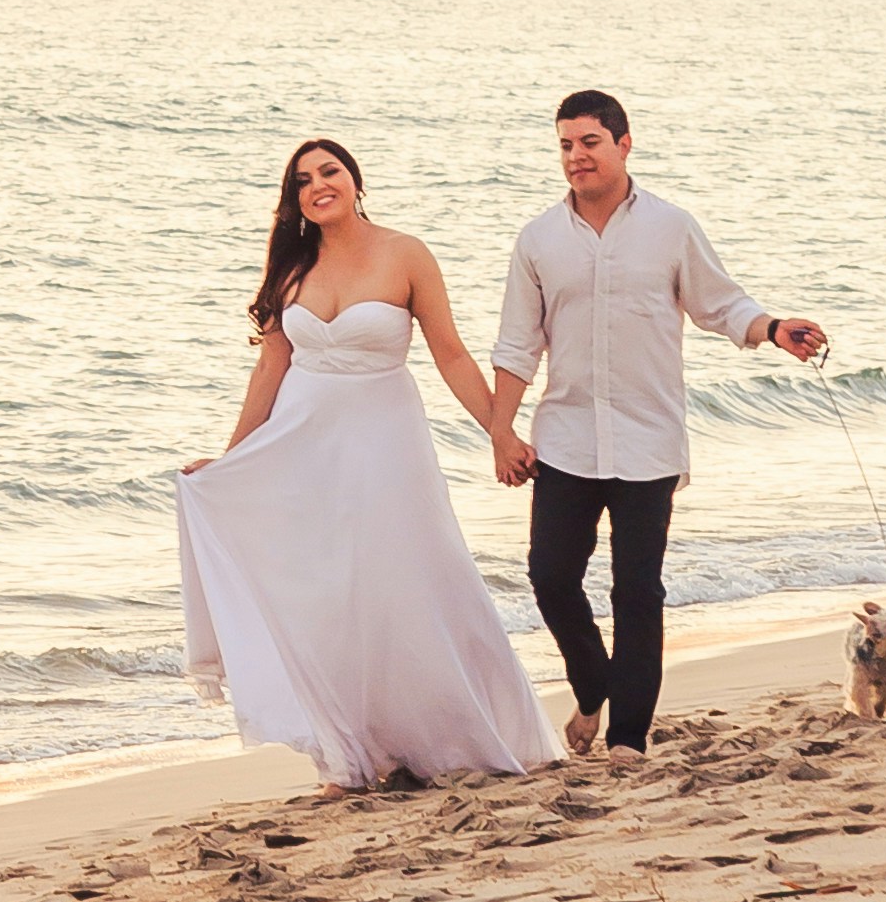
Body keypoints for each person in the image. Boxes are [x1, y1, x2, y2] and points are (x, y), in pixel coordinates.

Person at [176, 130, 560, 786]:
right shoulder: (292, 268)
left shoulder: (404, 254)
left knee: (418, 578)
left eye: (329, 172)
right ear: (294, 200)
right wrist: (231, 460)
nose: (318, 185)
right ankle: (348, 753)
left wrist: (501, 429)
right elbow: (271, 368)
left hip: (388, 442)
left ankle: (464, 735)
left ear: (355, 180)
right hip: (303, 450)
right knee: (330, 595)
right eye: (302, 180)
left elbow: (451, 354)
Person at [488, 86, 824, 759]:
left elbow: (721, 305)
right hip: (566, 439)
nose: (576, 157)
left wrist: (775, 328)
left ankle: (627, 740)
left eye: (589, 142)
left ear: (623, 144)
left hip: (649, 440)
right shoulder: (539, 240)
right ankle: (592, 686)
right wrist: (503, 432)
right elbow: (517, 345)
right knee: (551, 576)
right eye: (565, 144)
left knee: (637, 590)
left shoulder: (671, 227)